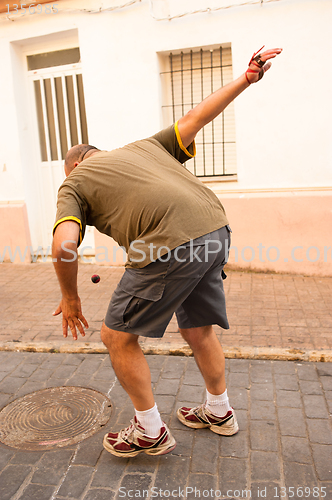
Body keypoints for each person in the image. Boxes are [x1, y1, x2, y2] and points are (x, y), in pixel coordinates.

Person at [52, 46, 282, 457]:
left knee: (116, 336)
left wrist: (70, 298)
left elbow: (64, 244)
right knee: (197, 328)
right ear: (100, 153)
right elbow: (199, 115)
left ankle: (149, 431)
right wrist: (246, 78)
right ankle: (219, 411)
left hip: (170, 243)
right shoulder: (143, 148)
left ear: (73, 167)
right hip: (215, 228)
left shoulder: (75, 181)